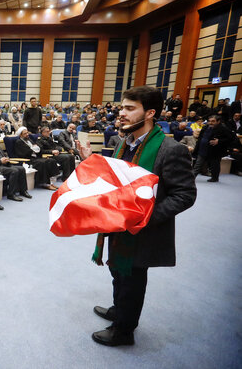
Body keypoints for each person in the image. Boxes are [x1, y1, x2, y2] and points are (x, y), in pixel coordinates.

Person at [76, 86, 196, 347]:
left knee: (132, 279)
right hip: (119, 225)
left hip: (144, 231)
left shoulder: (169, 149)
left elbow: (185, 194)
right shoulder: (123, 143)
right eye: (122, 108)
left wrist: (145, 218)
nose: (122, 113)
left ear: (150, 113)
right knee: (117, 272)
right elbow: (116, 179)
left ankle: (124, 330)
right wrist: (90, 160)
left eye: (130, 109)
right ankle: (119, 310)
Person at [0, 132, 31, 201]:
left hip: (5, 165)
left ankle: (23, 190)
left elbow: (5, 155)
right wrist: (0, 161)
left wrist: (6, 158)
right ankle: (11, 194)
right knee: (14, 171)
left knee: (21, 168)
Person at [192, 115, 233, 182]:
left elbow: (231, 138)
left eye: (213, 121)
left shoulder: (223, 129)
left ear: (218, 121)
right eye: (209, 121)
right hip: (203, 149)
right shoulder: (205, 127)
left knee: (214, 165)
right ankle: (191, 178)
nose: (210, 123)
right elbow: (200, 138)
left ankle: (215, 178)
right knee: (197, 165)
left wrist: (219, 141)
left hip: (215, 150)